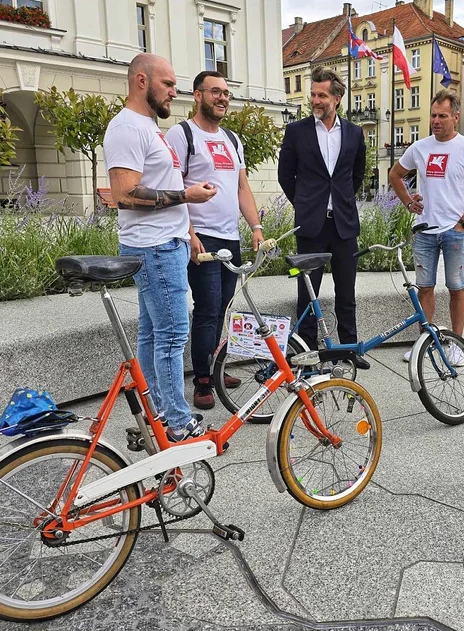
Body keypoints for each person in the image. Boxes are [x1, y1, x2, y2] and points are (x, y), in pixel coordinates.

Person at [104, 53, 217, 440]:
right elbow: (124, 193)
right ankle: (177, 421)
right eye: (167, 84)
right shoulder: (126, 128)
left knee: (153, 334)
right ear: (141, 81)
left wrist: (187, 230)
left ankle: (155, 412)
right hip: (153, 248)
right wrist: (186, 195)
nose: (174, 91)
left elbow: (155, 186)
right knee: (171, 335)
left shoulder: (149, 128)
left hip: (166, 243)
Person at [166, 71, 264, 410]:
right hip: (202, 237)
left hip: (230, 236)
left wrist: (255, 226)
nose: (222, 98)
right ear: (197, 95)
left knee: (222, 305)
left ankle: (214, 366)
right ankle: (203, 381)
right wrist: (189, 234)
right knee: (207, 308)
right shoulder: (182, 135)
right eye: (215, 92)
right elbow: (173, 188)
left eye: (226, 93)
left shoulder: (232, 139)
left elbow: (242, 188)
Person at [388, 90, 464, 365]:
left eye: (442, 115)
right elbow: (395, 174)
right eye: (433, 115)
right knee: (425, 288)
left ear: (455, 117)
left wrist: (463, 224)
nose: (436, 120)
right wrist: (409, 202)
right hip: (424, 231)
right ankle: (424, 342)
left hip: (454, 233)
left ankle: (457, 345)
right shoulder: (420, 148)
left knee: (456, 287)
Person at [277, 66, 369, 367]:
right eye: (313, 94)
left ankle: (349, 350)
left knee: (347, 291)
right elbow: (285, 176)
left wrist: (340, 200)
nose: (316, 100)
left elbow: (357, 175)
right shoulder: (296, 131)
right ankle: (306, 352)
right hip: (311, 225)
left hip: (344, 224)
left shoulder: (354, 133)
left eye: (322, 95)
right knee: (307, 291)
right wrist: (305, 203)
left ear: (337, 98)